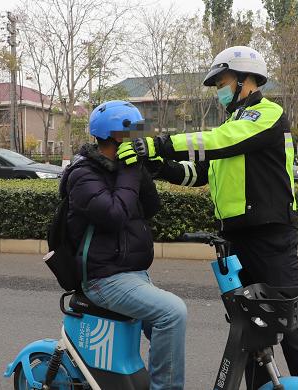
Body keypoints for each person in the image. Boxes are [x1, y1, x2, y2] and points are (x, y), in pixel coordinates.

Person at [119, 46, 298, 390]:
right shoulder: (232, 125)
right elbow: (200, 172)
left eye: (223, 81)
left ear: (246, 80)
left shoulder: (267, 114)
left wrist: (158, 144)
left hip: (270, 235)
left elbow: (223, 141)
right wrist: (160, 167)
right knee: (250, 326)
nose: (219, 89)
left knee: (289, 323)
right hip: (236, 238)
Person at [60, 100, 187, 390]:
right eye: (134, 135)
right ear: (116, 137)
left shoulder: (124, 168)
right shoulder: (83, 175)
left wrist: (141, 169)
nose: (139, 140)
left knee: (167, 322)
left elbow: (151, 207)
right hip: (103, 278)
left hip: (131, 273)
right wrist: (130, 172)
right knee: (172, 312)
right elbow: (115, 215)